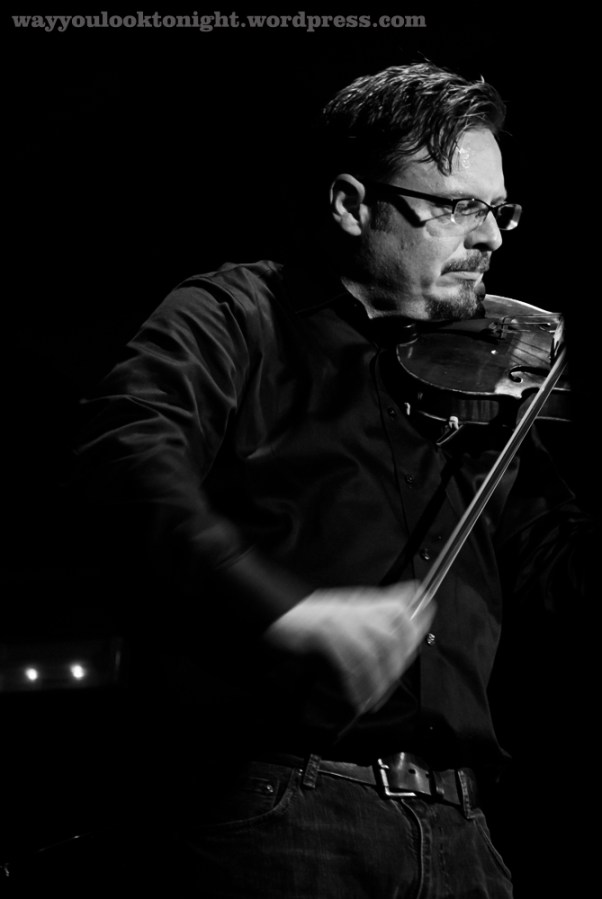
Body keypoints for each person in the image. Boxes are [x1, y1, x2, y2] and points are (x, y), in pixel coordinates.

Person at [71, 62, 591, 898]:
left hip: (464, 830)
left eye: (499, 211)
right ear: (352, 204)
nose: (491, 238)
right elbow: (126, 462)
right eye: (458, 206)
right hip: (275, 810)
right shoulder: (240, 314)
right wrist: (289, 610)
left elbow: (559, 579)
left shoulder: (488, 387)